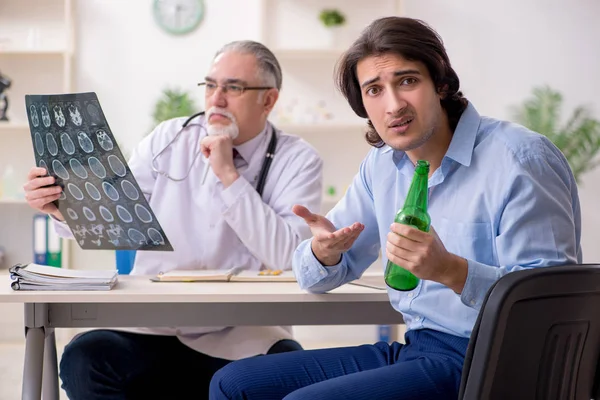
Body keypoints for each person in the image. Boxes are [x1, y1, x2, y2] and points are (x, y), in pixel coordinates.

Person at [208, 16, 582, 400]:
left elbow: (550, 306)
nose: (393, 104)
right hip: (418, 347)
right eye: (374, 89)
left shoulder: (519, 157)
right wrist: (324, 252)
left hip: (495, 360)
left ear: (440, 82)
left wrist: (450, 269)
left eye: (407, 81)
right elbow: (313, 274)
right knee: (233, 384)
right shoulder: (383, 166)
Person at [23, 40, 324, 399]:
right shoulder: (169, 138)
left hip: (242, 331)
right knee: (84, 358)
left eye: (234, 87)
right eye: (211, 85)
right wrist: (61, 208)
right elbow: (117, 217)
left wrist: (229, 176)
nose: (217, 99)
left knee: (286, 367)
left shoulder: (297, 159)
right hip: (152, 325)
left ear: (269, 100)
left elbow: (289, 257)